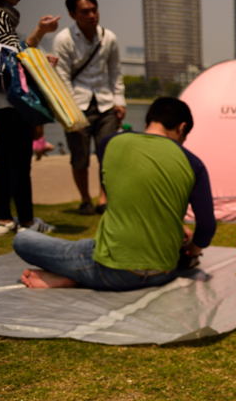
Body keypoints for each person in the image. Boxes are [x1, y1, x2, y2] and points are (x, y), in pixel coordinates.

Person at [13, 97, 215, 290]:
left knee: (23, 240)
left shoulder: (109, 144)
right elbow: (206, 226)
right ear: (182, 128)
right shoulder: (193, 163)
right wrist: (191, 252)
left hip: (113, 269)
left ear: (149, 120)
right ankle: (79, 275)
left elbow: (132, 188)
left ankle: (74, 277)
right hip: (163, 270)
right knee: (87, 246)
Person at [0, 0, 60, 236]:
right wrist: (41, 61)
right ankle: (23, 220)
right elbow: (15, 57)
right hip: (12, 100)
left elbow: (13, 52)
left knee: (6, 160)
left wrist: (37, 44)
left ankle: (4, 219)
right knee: (18, 161)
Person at [53, 0, 125, 215]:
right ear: (73, 14)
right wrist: (69, 109)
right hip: (76, 105)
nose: (92, 15)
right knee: (80, 157)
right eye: (85, 11)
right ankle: (85, 199)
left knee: (108, 155)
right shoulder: (64, 39)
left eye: (94, 10)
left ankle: (103, 198)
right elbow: (61, 76)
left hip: (105, 104)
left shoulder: (108, 37)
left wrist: (119, 101)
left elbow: (115, 72)